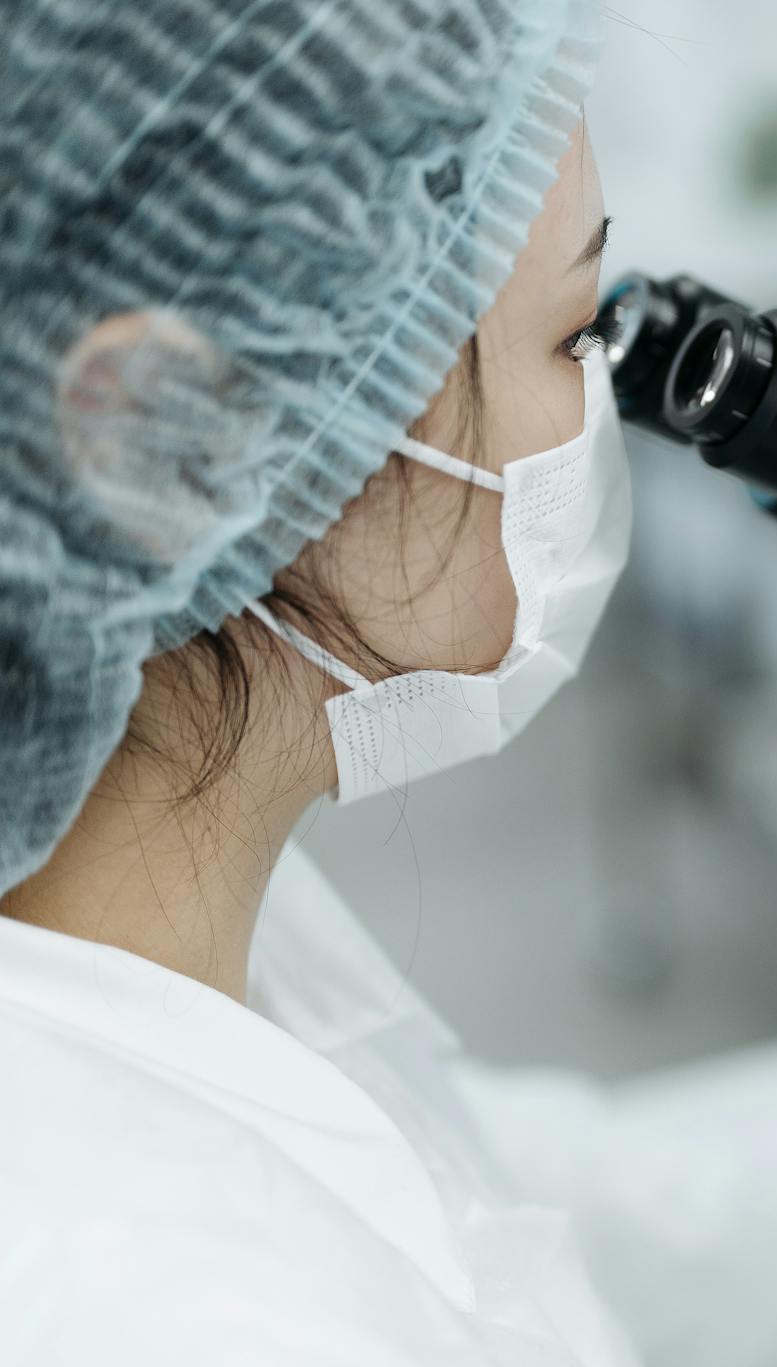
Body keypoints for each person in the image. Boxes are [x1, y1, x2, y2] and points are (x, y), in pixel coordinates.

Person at [0, 2, 641, 1361]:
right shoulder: (178, 1312)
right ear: (168, 441)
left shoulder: (166, 914)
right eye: (576, 339)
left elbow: (513, 1211)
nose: (602, 415)